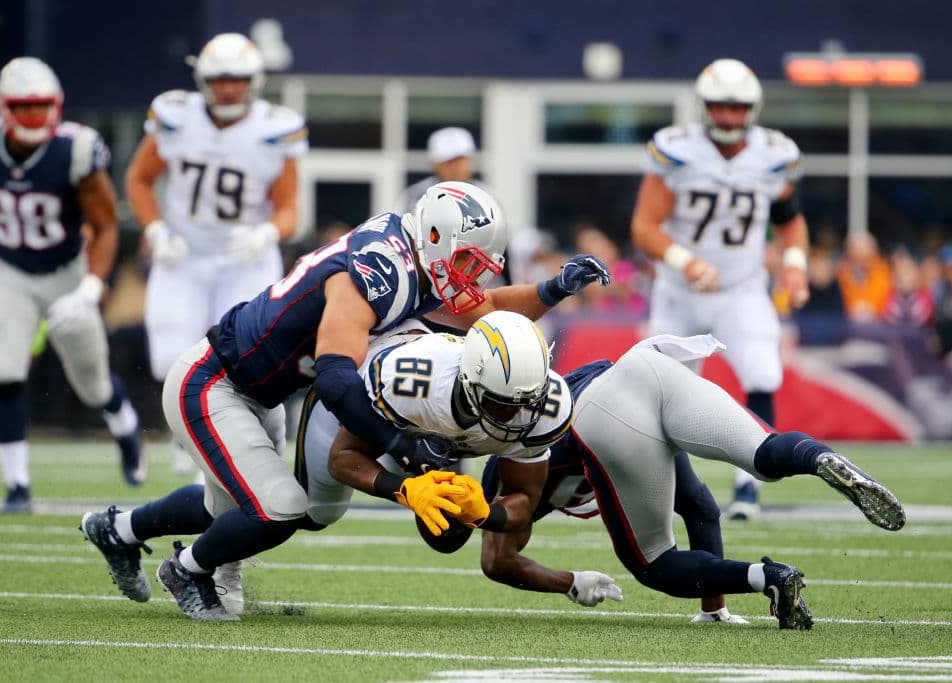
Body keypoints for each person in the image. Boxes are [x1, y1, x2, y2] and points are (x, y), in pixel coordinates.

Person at [79, 182, 610, 620]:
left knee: (238, 507)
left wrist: (555, 287)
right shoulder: (379, 271)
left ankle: (119, 529)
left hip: (260, 392)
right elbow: (335, 379)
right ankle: (185, 571)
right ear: (434, 237)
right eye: (468, 262)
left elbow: (489, 309)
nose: (472, 276)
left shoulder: (420, 261)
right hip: (215, 381)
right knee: (278, 508)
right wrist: (403, 448)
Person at [299, 321, 746, 623]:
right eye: (503, 404)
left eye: (527, 401)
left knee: (448, 524)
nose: (518, 415)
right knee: (311, 511)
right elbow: (343, 457)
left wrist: (485, 514)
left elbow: (523, 505)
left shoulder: (542, 406)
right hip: (364, 385)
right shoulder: (412, 384)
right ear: (473, 384)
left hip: (437, 429)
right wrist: (405, 489)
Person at [470, 335, 905, 630]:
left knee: (655, 564)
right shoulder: (532, 408)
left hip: (601, 414)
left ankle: (769, 577)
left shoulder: (506, 464)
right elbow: (698, 507)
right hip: (645, 365)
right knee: (760, 456)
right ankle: (818, 457)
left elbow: (497, 561)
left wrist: (569, 582)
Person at [0, 57, 145, 512]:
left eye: (41, 105)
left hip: (67, 271)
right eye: (23, 106)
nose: (33, 115)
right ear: (3, 107)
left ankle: (124, 425)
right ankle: (17, 487)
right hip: (9, 270)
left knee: (92, 384)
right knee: (3, 372)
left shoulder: (76, 150)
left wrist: (90, 287)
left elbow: (105, 225)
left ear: (57, 105)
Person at [630, 58, 812, 520]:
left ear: (752, 109)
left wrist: (794, 266)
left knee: (763, 374)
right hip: (679, 291)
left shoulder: (774, 155)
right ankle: (671, 491)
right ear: (704, 106)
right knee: (664, 393)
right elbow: (644, 227)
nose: (728, 117)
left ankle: (750, 487)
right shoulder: (678, 151)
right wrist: (685, 261)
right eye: (719, 107)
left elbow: (790, 222)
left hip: (740, 288)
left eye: (737, 108)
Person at [125, 32, 308, 476]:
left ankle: (245, 440)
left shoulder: (274, 128)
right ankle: (185, 432)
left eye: (236, 79)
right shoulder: (176, 117)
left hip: (244, 257)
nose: (227, 88)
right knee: (168, 356)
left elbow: (288, 207)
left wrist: (267, 234)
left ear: (254, 80)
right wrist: (155, 228)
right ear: (203, 80)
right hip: (183, 254)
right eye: (219, 79)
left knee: (247, 356)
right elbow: (139, 179)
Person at [395, 127, 491, 215]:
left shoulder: (488, 197)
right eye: (448, 162)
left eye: (460, 160)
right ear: (435, 164)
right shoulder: (414, 197)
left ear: (470, 160)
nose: (455, 168)